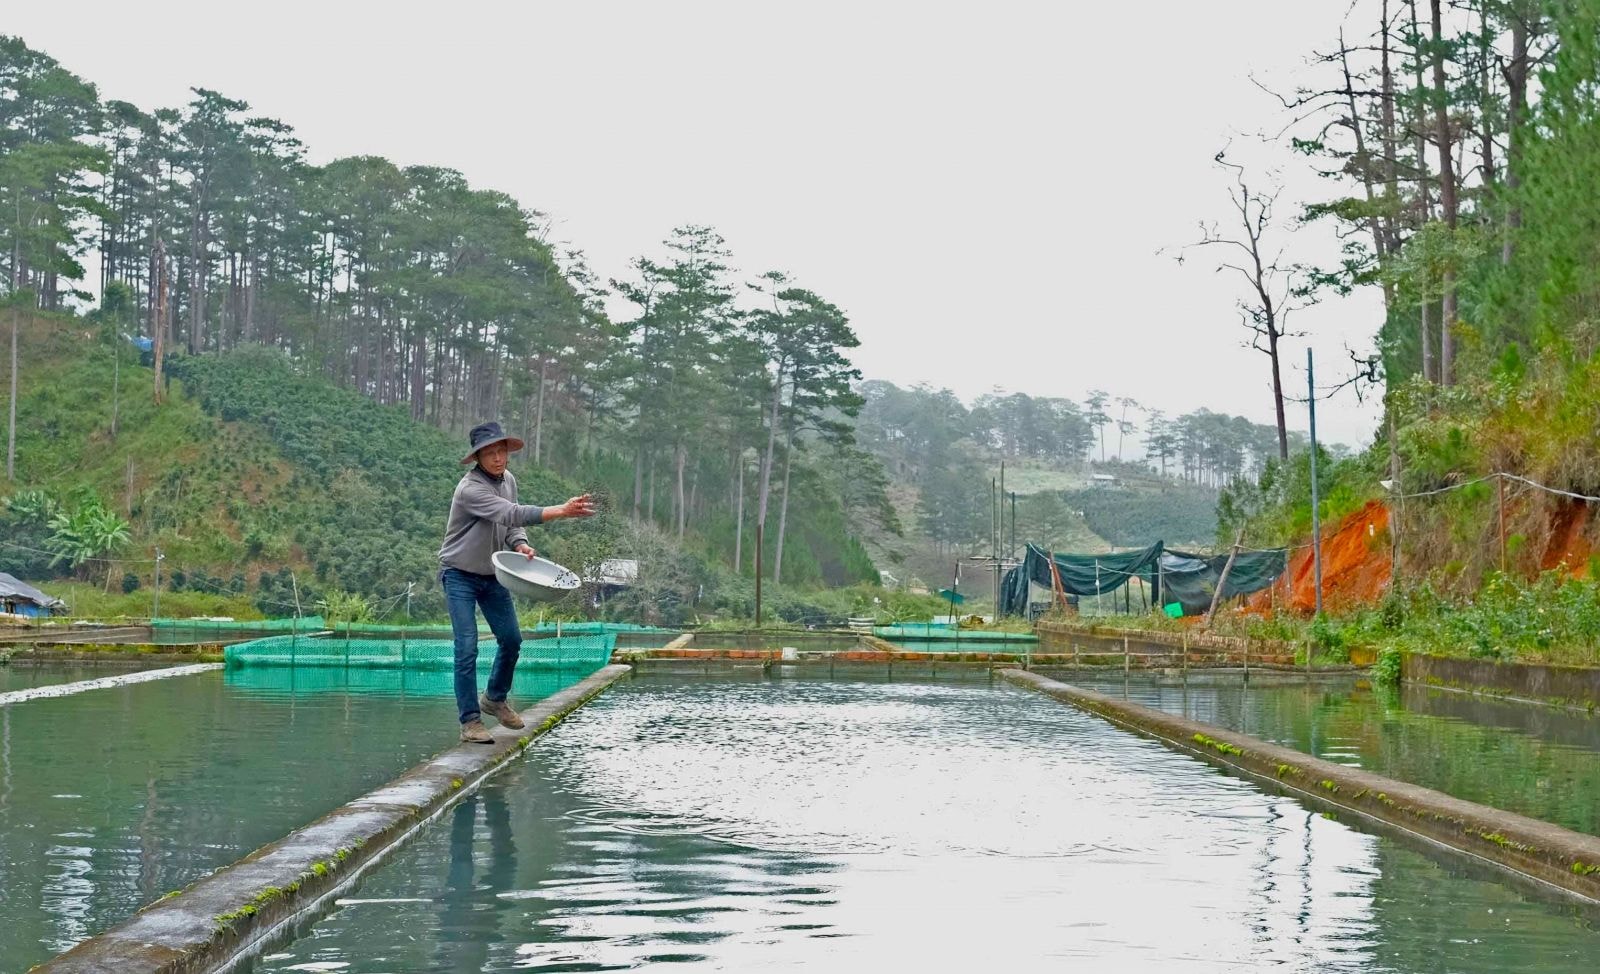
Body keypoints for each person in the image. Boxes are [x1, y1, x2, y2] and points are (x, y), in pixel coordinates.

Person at [439, 421, 596, 743]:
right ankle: (470, 722)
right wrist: (562, 511)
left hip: (493, 574)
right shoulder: (470, 489)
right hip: (459, 574)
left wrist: (520, 544)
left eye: (501, 451)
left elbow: (510, 526)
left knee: (511, 639)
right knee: (466, 647)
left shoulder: (508, 480)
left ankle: (494, 698)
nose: (498, 458)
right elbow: (511, 513)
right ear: (477, 458)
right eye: (490, 454)